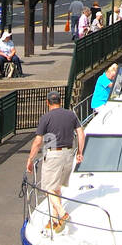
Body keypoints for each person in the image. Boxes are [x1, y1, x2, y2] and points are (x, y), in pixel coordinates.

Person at [26, 90, 85, 231]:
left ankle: (62, 213)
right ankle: (54, 221)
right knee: (56, 188)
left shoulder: (46, 118)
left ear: (48, 103)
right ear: (60, 101)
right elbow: (81, 133)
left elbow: (38, 141)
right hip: (69, 154)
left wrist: (30, 159)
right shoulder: (71, 114)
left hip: (54, 155)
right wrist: (80, 152)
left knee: (49, 189)